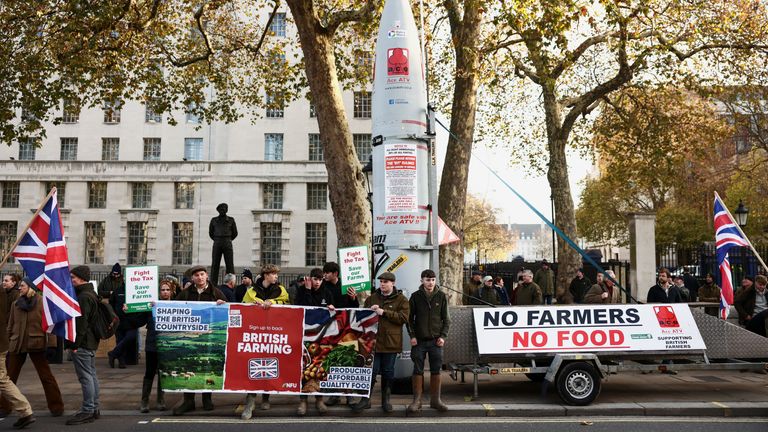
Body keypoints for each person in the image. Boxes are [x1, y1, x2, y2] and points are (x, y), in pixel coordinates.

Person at [172, 266, 227, 415]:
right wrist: (156, 305)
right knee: (188, 367)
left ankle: (207, 399)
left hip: (209, 337)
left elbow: (228, 310)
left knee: (206, 367)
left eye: (202, 274)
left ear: (207, 276)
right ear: (192, 278)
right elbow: (173, 308)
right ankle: (188, 401)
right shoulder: (185, 293)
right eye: (196, 275)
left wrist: (223, 304)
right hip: (190, 337)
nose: (200, 277)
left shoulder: (216, 292)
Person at [351, 272, 409, 414]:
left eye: (386, 282)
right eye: (381, 281)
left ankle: (386, 400)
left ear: (393, 283)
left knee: (388, 373)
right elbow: (362, 319)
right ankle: (365, 400)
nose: (382, 284)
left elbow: (403, 318)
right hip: (373, 343)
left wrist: (384, 312)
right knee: (370, 371)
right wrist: (368, 313)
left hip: (390, 343)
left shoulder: (401, 300)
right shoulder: (372, 298)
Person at [6, 278, 64, 417]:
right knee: (8, 378)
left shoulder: (42, 302)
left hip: (36, 344)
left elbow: (50, 325)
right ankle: (4, 406)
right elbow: (10, 325)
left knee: (46, 377)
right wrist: (6, 344)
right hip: (17, 343)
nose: (20, 288)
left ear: (31, 287)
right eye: (20, 286)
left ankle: (56, 406)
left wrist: (52, 344)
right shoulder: (16, 304)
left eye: (23, 286)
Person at [240, 264, 290, 414]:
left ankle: (266, 397)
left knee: (269, 363)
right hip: (255, 333)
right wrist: (252, 306)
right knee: (253, 364)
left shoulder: (281, 290)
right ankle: (250, 399)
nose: (276, 277)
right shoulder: (252, 291)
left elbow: (288, 304)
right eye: (273, 274)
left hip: (273, 333)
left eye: (276, 274)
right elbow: (242, 306)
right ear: (265, 275)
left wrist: (273, 303)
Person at [287, 268, 333, 417]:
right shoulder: (301, 290)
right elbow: (305, 307)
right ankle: (303, 400)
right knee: (304, 367)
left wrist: (332, 307)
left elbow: (333, 308)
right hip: (304, 334)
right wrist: (307, 291)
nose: (317, 282)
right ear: (310, 279)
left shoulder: (327, 292)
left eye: (320, 280)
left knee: (318, 367)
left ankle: (319, 399)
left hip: (321, 335)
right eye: (315, 279)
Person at [406, 269, 450, 413]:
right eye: (427, 280)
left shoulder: (442, 296)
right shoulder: (415, 296)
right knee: (417, 370)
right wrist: (412, 335)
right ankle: (417, 401)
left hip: (436, 342)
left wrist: (443, 336)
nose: (430, 283)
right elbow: (409, 319)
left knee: (436, 370)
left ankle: (435, 400)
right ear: (422, 281)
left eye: (432, 280)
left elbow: (447, 320)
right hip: (418, 341)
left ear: (435, 281)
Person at [137, 276, 178, 413]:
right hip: (152, 343)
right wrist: (127, 310)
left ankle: (161, 400)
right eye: (162, 290)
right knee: (149, 372)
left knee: (163, 373)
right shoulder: (152, 305)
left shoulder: (175, 305)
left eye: (167, 290)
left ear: (172, 291)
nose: (165, 292)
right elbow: (138, 321)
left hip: (167, 344)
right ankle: (144, 401)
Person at [66, 265, 101, 425]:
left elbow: (82, 324)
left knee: (85, 377)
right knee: (91, 375)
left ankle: (88, 409)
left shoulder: (84, 296)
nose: (71, 280)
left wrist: (75, 344)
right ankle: (93, 407)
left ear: (81, 278)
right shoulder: (91, 293)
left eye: (73, 277)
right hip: (90, 342)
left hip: (83, 343)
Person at [0, 272, 35, 429]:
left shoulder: (8, 295)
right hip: (9, 342)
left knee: (2, 379)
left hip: (12, 343)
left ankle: (25, 410)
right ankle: (24, 410)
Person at [108, 276, 143, 369]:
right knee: (120, 340)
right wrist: (113, 316)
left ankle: (113, 353)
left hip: (132, 321)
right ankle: (121, 361)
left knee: (130, 337)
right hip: (119, 321)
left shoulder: (138, 291)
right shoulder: (118, 291)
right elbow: (111, 304)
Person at [209, 203, 238, 285]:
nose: (223, 210)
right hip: (217, 242)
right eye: (221, 209)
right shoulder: (214, 220)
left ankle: (231, 283)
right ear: (218, 210)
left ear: (227, 210)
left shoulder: (231, 220)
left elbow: (235, 233)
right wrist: (217, 239)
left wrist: (228, 239)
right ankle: (213, 284)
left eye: (225, 209)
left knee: (229, 264)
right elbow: (211, 233)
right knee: (215, 264)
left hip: (227, 241)